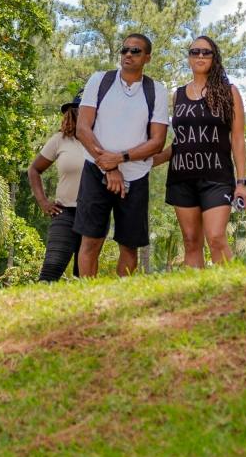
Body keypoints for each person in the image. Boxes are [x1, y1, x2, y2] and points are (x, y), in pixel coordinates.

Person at [73, 32, 170, 277]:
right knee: (91, 240)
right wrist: (108, 166)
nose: (128, 54)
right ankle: (88, 297)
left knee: (129, 244)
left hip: (136, 176)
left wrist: (120, 159)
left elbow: (157, 141)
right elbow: (82, 128)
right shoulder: (100, 80)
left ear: (147, 57)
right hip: (96, 170)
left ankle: (121, 296)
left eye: (135, 51)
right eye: (124, 49)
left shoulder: (156, 91)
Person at [160, 35, 246, 268]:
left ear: (214, 57)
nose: (200, 56)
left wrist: (242, 182)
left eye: (206, 52)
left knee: (216, 237)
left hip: (217, 178)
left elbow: (237, 139)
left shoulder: (229, 92)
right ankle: (195, 297)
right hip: (181, 178)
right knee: (190, 241)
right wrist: (149, 159)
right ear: (188, 58)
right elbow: (180, 142)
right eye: (194, 52)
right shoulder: (177, 95)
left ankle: (232, 291)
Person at [31, 99, 89, 281]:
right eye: (79, 109)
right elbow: (34, 169)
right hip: (65, 212)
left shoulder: (101, 141)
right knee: (51, 269)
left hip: (93, 213)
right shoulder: (60, 140)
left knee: (85, 275)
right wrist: (43, 202)